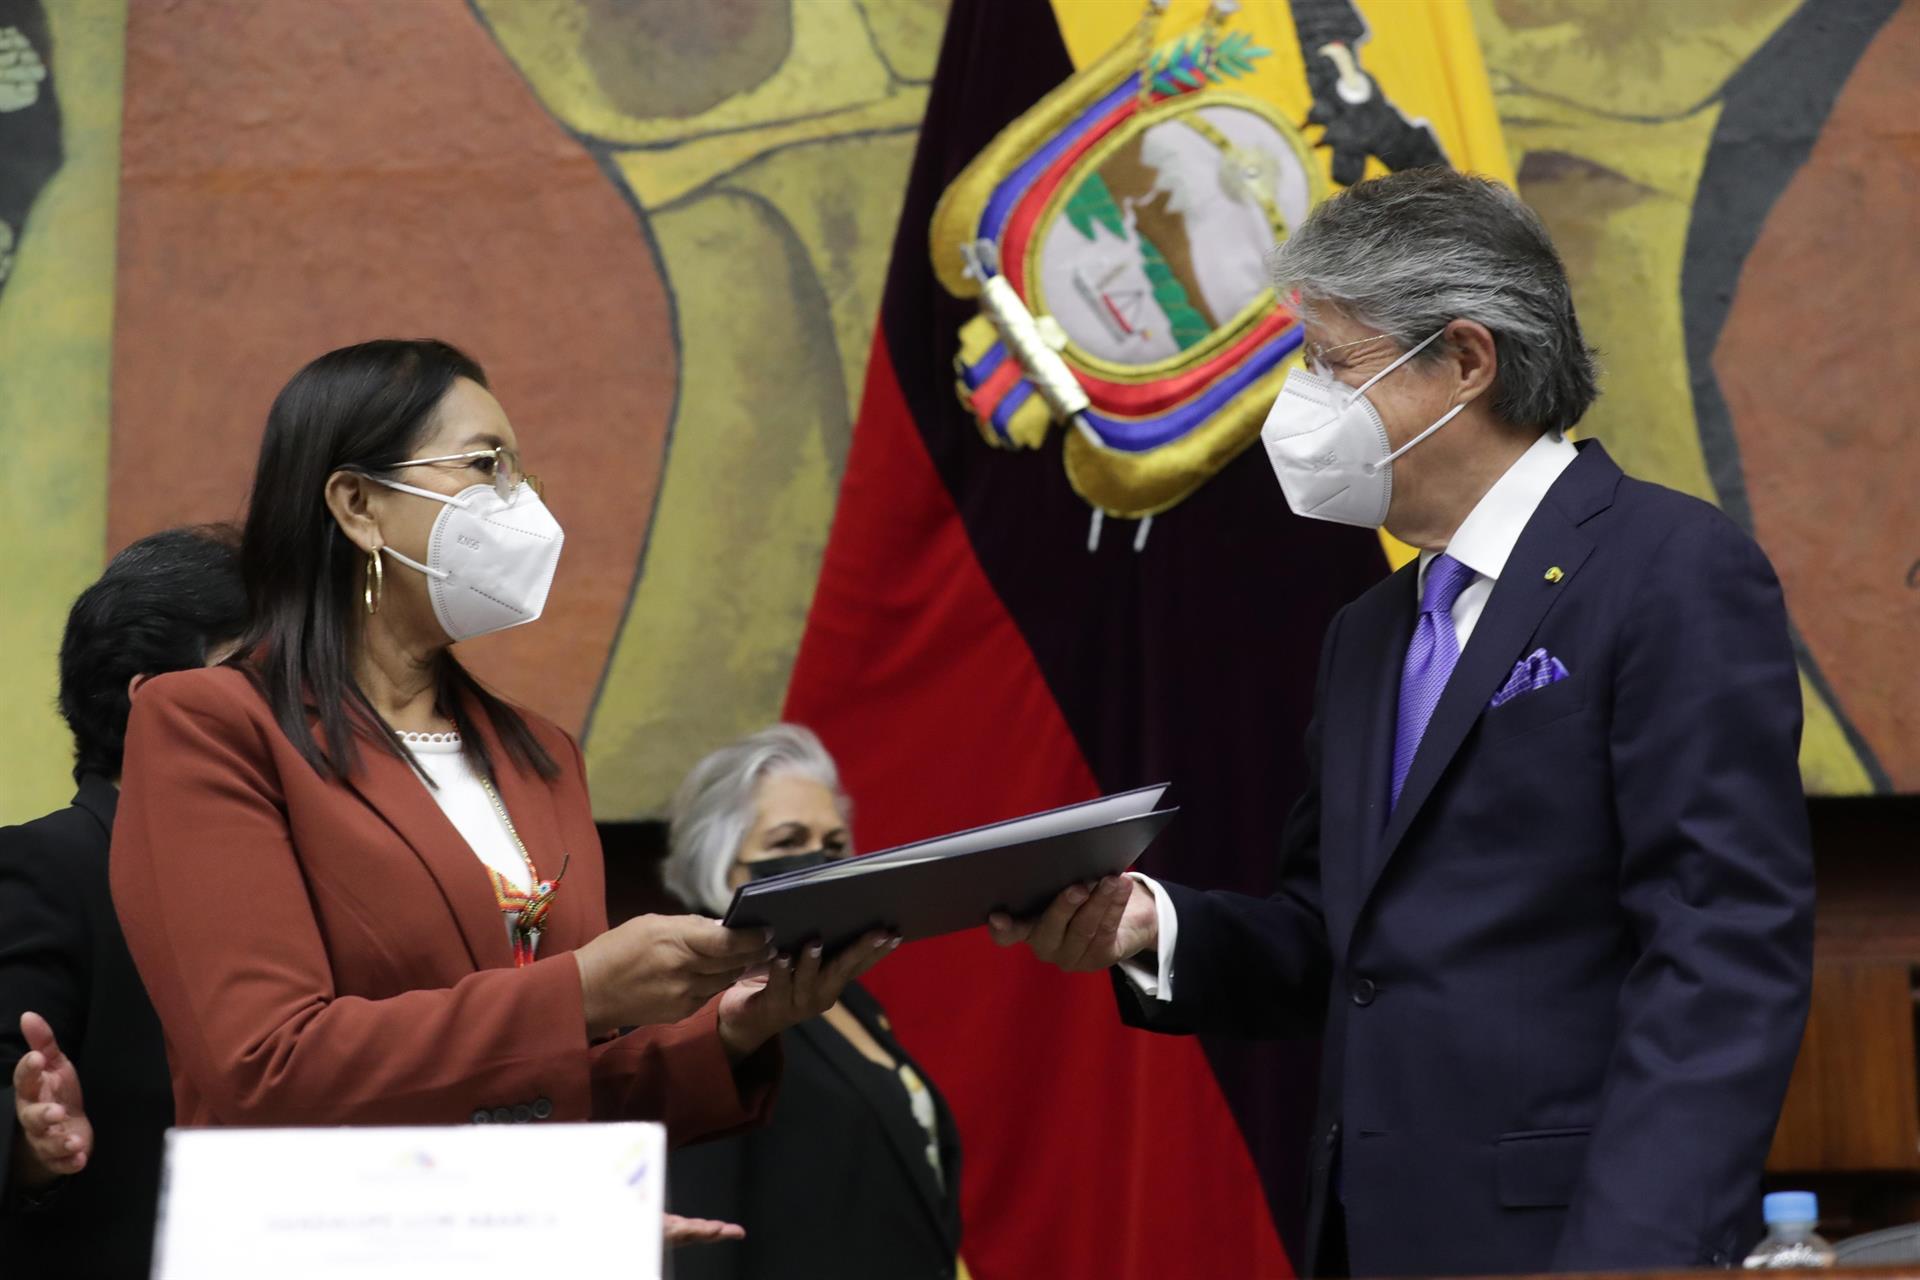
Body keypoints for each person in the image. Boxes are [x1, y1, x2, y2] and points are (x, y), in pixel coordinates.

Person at [991, 169, 1814, 1277]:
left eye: (1331, 362)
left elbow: (1722, 947)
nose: (1300, 403)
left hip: (1579, 1240)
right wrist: (1155, 923)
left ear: (1468, 361)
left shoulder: (1669, 569)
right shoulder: (1369, 630)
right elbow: (1342, 940)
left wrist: (1637, 1256)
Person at [108, 341, 897, 1210]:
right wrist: (583, 993)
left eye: (521, 474)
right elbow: (264, 1067)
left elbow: (558, 1089)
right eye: (487, 466)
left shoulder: (540, 755)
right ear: (358, 504)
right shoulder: (215, 724)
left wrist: (730, 1032)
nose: (522, 505)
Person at [1, 526, 248, 1278]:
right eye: (255, 683)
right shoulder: (48, 866)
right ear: (156, 706)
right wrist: (34, 1146)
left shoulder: (282, 877)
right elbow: (17, 1089)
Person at [662, 725, 962, 1280]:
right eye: (786, 843)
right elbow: (703, 1228)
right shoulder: (709, 1016)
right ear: (723, 869)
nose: (819, 862)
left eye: (833, 846)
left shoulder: (850, 999)